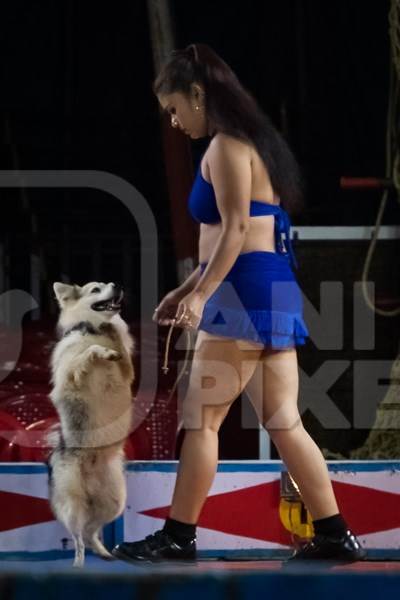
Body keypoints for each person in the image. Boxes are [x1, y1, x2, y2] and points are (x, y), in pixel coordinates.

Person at [112, 43, 366, 563]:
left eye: (175, 108)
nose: (175, 121)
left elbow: (236, 228)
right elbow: (248, 234)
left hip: (241, 293)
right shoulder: (256, 145)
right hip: (271, 287)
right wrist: (185, 290)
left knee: (201, 419)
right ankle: (335, 532)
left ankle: (179, 535)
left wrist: (202, 295)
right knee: (285, 422)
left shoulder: (226, 147)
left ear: (199, 94)